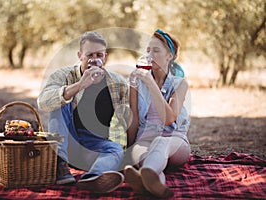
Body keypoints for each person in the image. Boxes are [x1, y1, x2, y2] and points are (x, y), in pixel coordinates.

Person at [37, 31, 129, 193]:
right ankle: (60, 164)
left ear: (105, 57)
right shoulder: (63, 75)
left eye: (99, 54)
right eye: (89, 55)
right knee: (60, 99)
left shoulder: (117, 82)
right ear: (80, 55)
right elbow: (43, 102)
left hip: (93, 145)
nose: (94, 59)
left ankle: (91, 178)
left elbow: (129, 118)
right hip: (66, 143)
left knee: (116, 150)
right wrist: (79, 85)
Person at [124, 29, 191, 198]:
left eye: (156, 50)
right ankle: (156, 186)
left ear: (170, 56)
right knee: (146, 160)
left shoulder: (180, 84)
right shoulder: (136, 82)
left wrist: (151, 83)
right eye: (148, 50)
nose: (149, 55)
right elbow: (134, 118)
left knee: (161, 141)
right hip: (144, 139)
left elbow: (169, 119)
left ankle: (146, 175)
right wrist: (128, 148)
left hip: (174, 140)